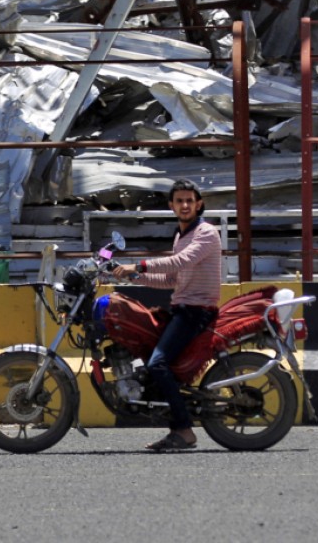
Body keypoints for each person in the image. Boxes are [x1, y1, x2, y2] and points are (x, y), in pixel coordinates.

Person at [113, 179, 222, 452]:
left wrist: (138, 265)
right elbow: (172, 279)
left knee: (158, 364)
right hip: (182, 309)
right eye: (179, 201)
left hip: (196, 312)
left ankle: (184, 430)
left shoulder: (206, 233)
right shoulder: (181, 235)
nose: (185, 205)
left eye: (189, 200)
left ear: (199, 204)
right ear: (171, 205)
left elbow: (181, 261)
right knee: (149, 355)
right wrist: (134, 277)